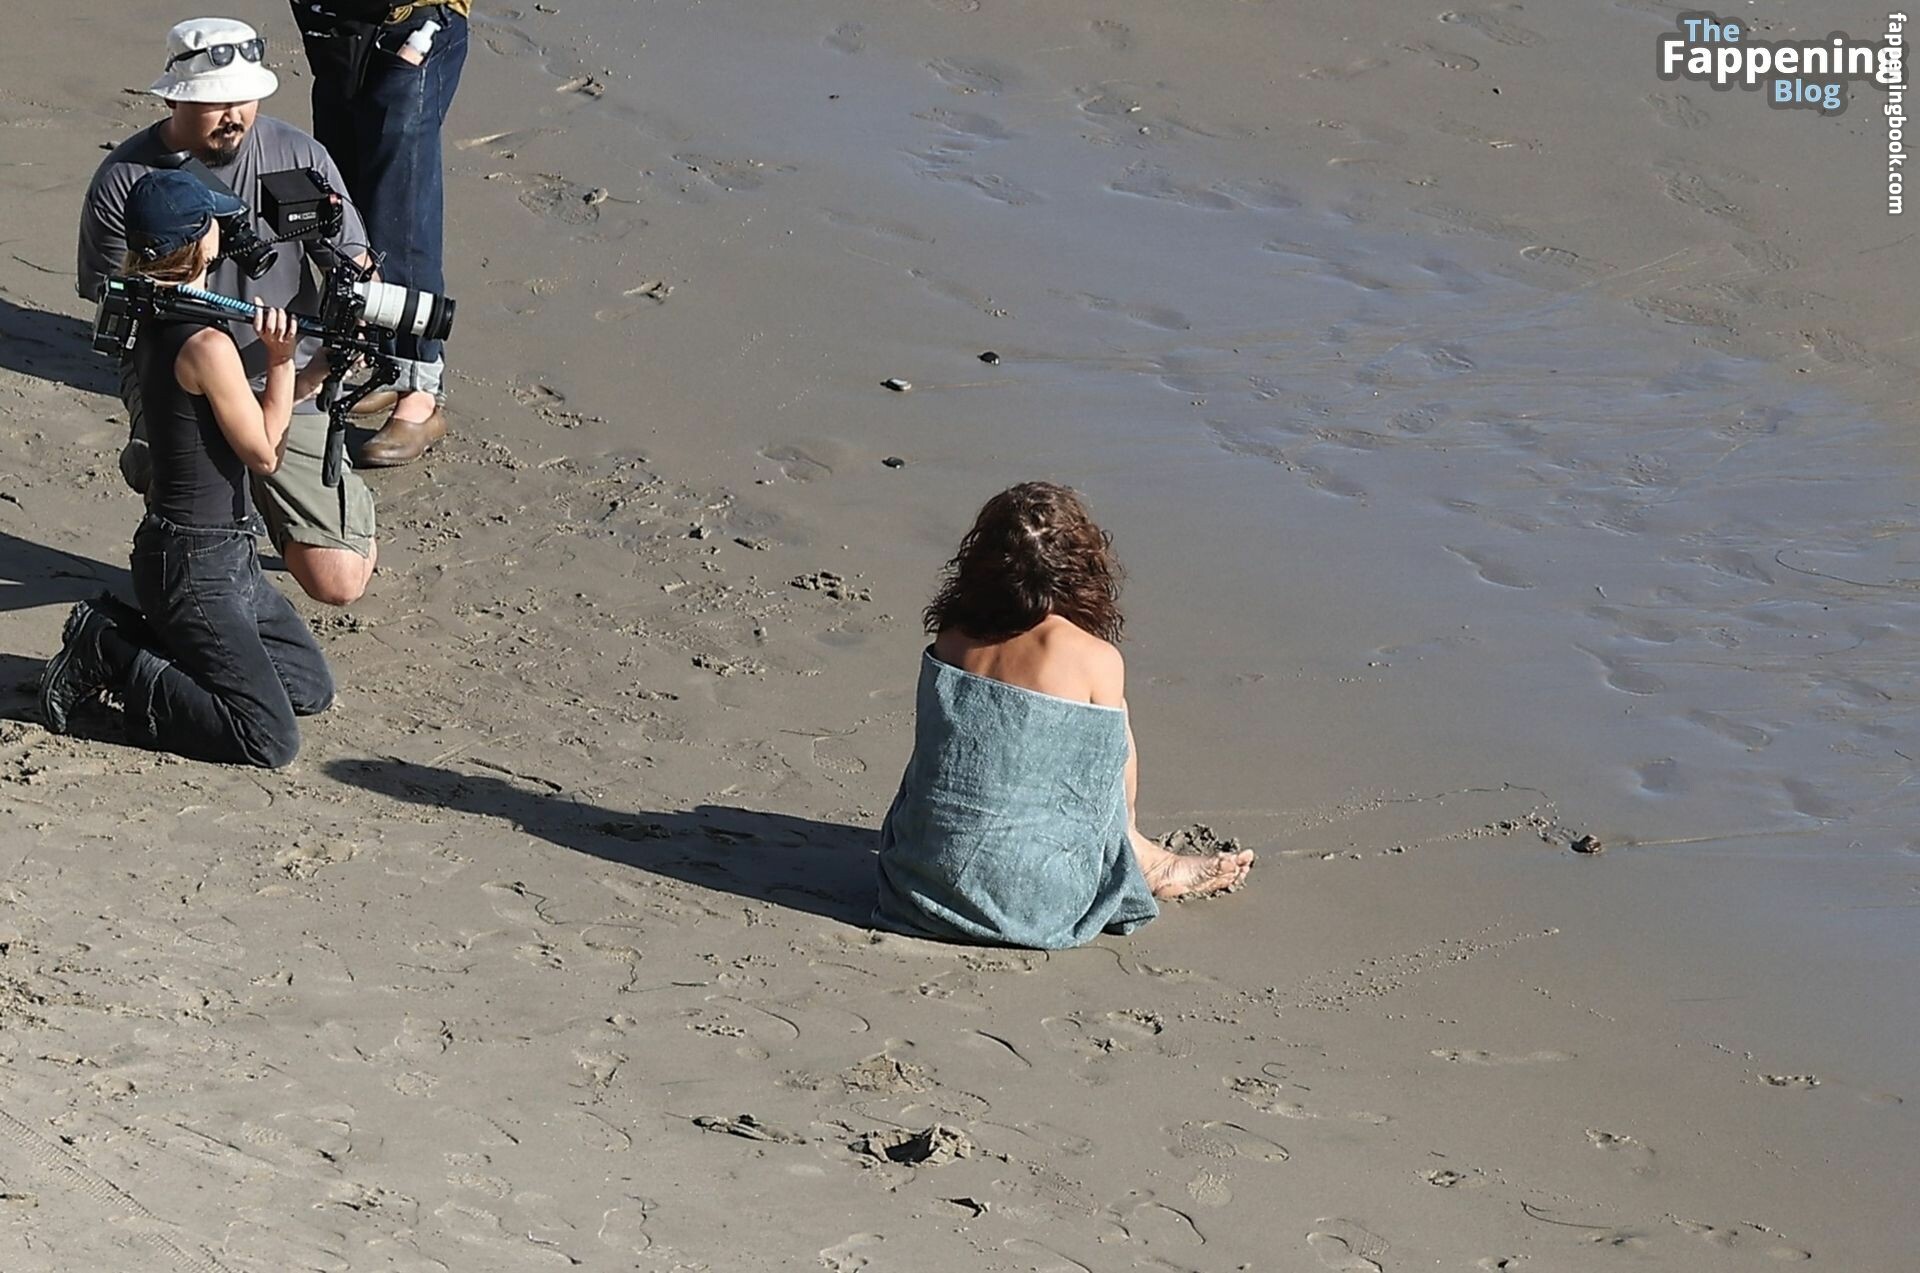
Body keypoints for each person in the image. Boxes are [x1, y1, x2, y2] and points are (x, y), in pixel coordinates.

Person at [874, 483, 1255, 949]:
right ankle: (1144, 857)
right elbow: (1102, 781)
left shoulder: (951, 639)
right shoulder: (1092, 657)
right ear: (1080, 568)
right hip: (1036, 909)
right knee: (1109, 725)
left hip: (914, 889)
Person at [78, 16, 379, 607]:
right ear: (173, 99)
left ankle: (314, 505)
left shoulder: (299, 155)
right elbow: (112, 299)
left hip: (288, 376)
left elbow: (353, 261)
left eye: (245, 98)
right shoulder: (124, 180)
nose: (234, 114)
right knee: (195, 556)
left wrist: (356, 311)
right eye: (215, 101)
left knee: (338, 582)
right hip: (178, 383)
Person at [43, 170, 334, 768]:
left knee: (308, 688)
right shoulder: (204, 344)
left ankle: (153, 639)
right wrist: (281, 360)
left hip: (226, 555)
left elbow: (242, 418)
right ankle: (111, 649)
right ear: (200, 242)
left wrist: (316, 371)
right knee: (269, 740)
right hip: (194, 565)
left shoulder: (152, 310)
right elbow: (264, 454)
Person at [291, 0, 469, 465]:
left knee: (401, 210)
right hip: (335, 29)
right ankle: (381, 363)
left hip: (411, 24)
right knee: (345, 198)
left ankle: (418, 393)